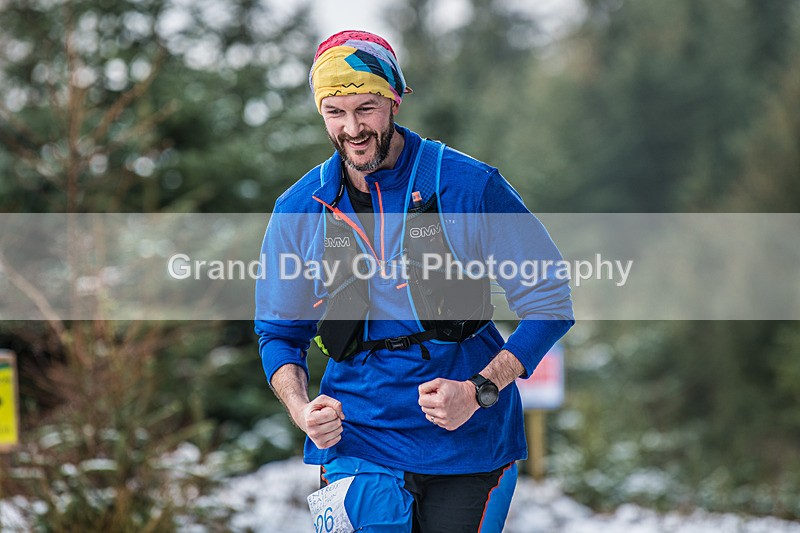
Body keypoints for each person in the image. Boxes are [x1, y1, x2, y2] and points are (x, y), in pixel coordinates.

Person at [255, 30, 573, 532]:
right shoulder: (300, 207)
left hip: (470, 441)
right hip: (357, 438)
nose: (352, 128)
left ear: (394, 101)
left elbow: (550, 300)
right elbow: (278, 332)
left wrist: (479, 389)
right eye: (335, 112)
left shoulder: (469, 186)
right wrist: (301, 410)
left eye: (366, 109)